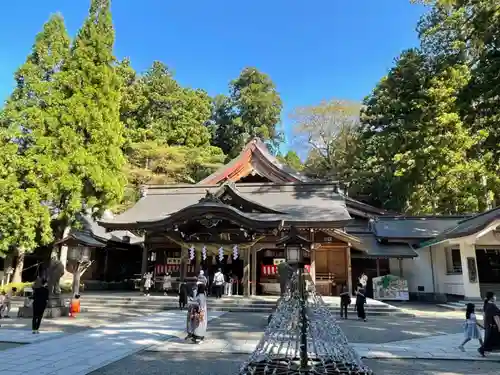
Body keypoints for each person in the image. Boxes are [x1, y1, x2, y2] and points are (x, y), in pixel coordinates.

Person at [478, 291, 500, 357]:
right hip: (494, 327)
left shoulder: (486, 305)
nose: (495, 297)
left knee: (490, 340)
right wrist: (499, 327)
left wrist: (485, 325)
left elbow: (484, 316)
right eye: (494, 296)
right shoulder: (492, 306)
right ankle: (482, 349)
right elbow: (496, 318)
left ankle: (482, 349)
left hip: (489, 326)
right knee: (491, 340)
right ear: (491, 298)